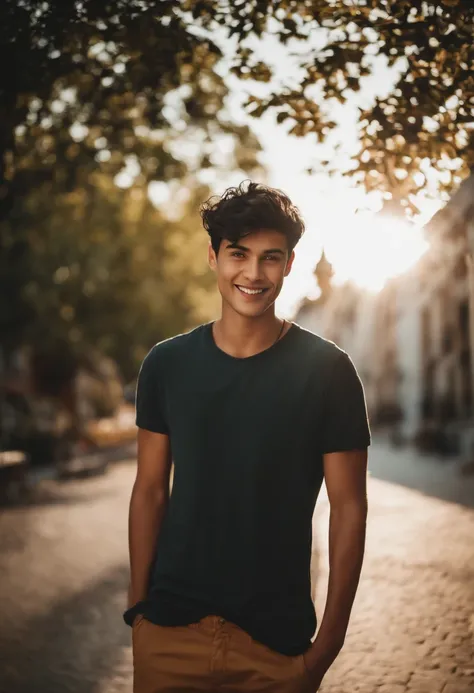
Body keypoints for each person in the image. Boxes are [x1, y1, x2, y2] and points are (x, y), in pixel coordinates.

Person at [125, 181, 371, 693]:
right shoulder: (166, 364)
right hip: (169, 635)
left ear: (289, 263)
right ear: (213, 257)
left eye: (270, 258)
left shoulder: (329, 371)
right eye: (238, 254)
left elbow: (349, 509)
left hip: (277, 647)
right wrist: (138, 615)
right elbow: (149, 488)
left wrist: (325, 649)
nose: (253, 274)